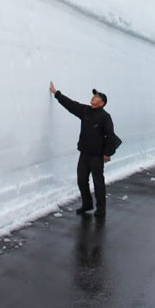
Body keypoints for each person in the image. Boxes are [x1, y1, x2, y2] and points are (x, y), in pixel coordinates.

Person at [49, 82, 119, 218]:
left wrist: (107, 153)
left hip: (97, 156)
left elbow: (110, 136)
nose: (93, 97)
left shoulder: (105, 117)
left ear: (102, 103)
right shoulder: (86, 111)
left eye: (97, 96)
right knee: (81, 180)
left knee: (98, 183)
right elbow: (71, 105)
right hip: (84, 154)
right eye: (94, 96)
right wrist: (57, 93)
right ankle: (87, 204)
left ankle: (101, 209)